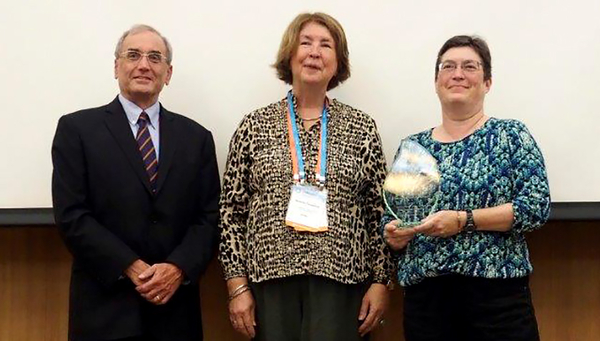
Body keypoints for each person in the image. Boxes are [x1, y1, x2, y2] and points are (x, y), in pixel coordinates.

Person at [219, 12, 394, 341]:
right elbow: (231, 211)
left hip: (343, 283)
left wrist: (380, 282)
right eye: (306, 43)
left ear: (338, 62)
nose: (315, 52)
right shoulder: (254, 125)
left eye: (326, 45)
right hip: (268, 284)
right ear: (290, 54)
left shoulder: (362, 127)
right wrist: (236, 286)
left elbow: (378, 211)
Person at [51, 24, 220, 341]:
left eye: (155, 58)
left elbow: (209, 218)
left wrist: (176, 269)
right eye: (133, 55)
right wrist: (130, 266)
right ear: (117, 66)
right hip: (104, 309)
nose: (144, 65)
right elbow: (72, 214)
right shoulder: (77, 130)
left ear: (167, 73)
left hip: (175, 311)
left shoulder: (196, 138)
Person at [383, 35, 551, 341]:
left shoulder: (510, 135)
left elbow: (534, 207)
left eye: (469, 66)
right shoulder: (414, 147)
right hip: (427, 304)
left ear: (487, 82)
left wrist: (463, 220)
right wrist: (396, 233)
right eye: (448, 66)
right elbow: (391, 222)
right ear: (436, 81)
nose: (457, 73)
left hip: (498, 301)